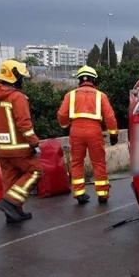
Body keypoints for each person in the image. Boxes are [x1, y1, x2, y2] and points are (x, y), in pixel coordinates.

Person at [0, 60, 42, 223]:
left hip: (2, 148)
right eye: (20, 78)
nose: (21, 81)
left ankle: (13, 213)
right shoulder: (17, 97)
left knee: (10, 178)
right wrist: (34, 142)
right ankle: (10, 202)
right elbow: (24, 123)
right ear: (13, 76)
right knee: (36, 170)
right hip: (20, 147)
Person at [57, 66, 118, 205]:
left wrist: (66, 125)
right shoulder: (100, 95)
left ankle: (79, 193)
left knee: (76, 162)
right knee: (98, 162)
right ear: (94, 80)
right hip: (94, 131)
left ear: (79, 79)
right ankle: (103, 194)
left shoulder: (70, 95)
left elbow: (61, 115)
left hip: (76, 131)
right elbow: (110, 117)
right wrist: (113, 134)